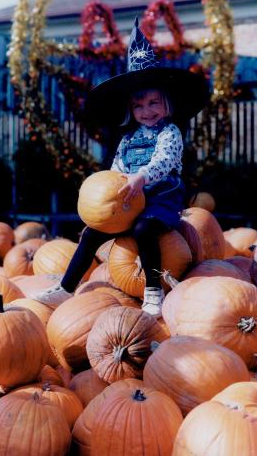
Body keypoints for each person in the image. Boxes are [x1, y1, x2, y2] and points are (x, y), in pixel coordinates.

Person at [32, 18, 209, 318]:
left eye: (154, 103)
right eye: (139, 106)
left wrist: (141, 177)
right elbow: (116, 170)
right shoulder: (128, 138)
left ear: (167, 104)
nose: (147, 111)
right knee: (91, 232)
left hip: (159, 200)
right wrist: (104, 189)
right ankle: (66, 287)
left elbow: (164, 162)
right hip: (127, 201)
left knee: (143, 229)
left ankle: (152, 289)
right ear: (130, 109)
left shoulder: (170, 133)